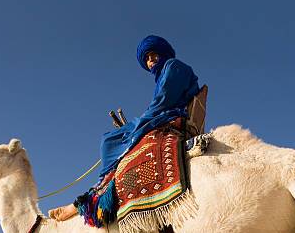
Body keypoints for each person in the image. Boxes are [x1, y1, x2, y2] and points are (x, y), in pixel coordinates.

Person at [49, 35, 200, 221]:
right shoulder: (165, 73)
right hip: (161, 115)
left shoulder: (174, 66)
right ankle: (96, 192)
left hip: (168, 116)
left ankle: (92, 198)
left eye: (153, 56)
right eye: (147, 58)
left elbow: (163, 101)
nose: (150, 61)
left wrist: (141, 121)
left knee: (109, 140)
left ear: (163, 53)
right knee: (111, 139)